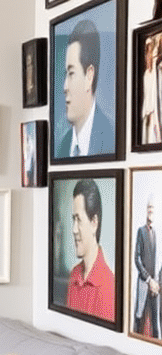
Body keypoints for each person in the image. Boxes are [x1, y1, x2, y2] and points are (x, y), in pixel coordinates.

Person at [56, 20, 115, 157]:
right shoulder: (62, 146)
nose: (65, 87)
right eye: (66, 74)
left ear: (89, 76)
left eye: (71, 74)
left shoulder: (111, 136)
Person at [66, 176, 115, 321]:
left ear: (94, 223)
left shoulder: (109, 287)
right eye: (73, 219)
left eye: (79, 219)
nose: (74, 229)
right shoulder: (74, 275)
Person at [134, 198, 161, 338]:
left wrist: (156, 284)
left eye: (153, 207)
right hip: (144, 284)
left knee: (156, 325)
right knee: (139, 319)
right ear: (146, 210)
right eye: (148, 207)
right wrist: (149, 279)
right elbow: (136, 259)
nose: (150, 210)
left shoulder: (157, 233)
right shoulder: (141, 231)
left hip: (155, 287)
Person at [142, 35, 161, 146]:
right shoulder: (146, 74)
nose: (148, 57)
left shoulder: (157, 70)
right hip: (149, 113)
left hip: (156, 112)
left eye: (150, 52)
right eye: (147, 52)